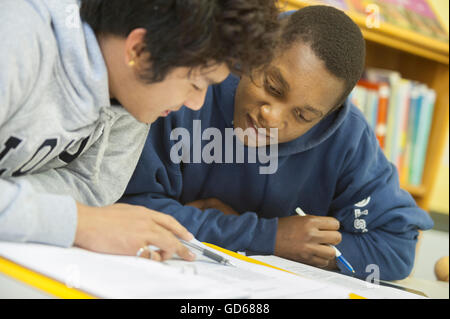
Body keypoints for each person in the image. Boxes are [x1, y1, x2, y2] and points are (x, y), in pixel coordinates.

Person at [120, 6, 434, 280]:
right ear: (255, 52)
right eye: (272, 86)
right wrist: (267, 235)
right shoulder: (194, 86)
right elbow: (130, 204)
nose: (271, 117)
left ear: (327, 116)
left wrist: (303, 246)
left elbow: (398, 245)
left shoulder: (347, 136)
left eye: (302, 115)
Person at [0, 0, 279, 262]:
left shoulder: (133, 95)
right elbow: (85, 213)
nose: (196, 104)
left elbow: (92, 191)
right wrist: (79, 223)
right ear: (140, 51)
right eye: (196, 83)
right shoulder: (16, 36)